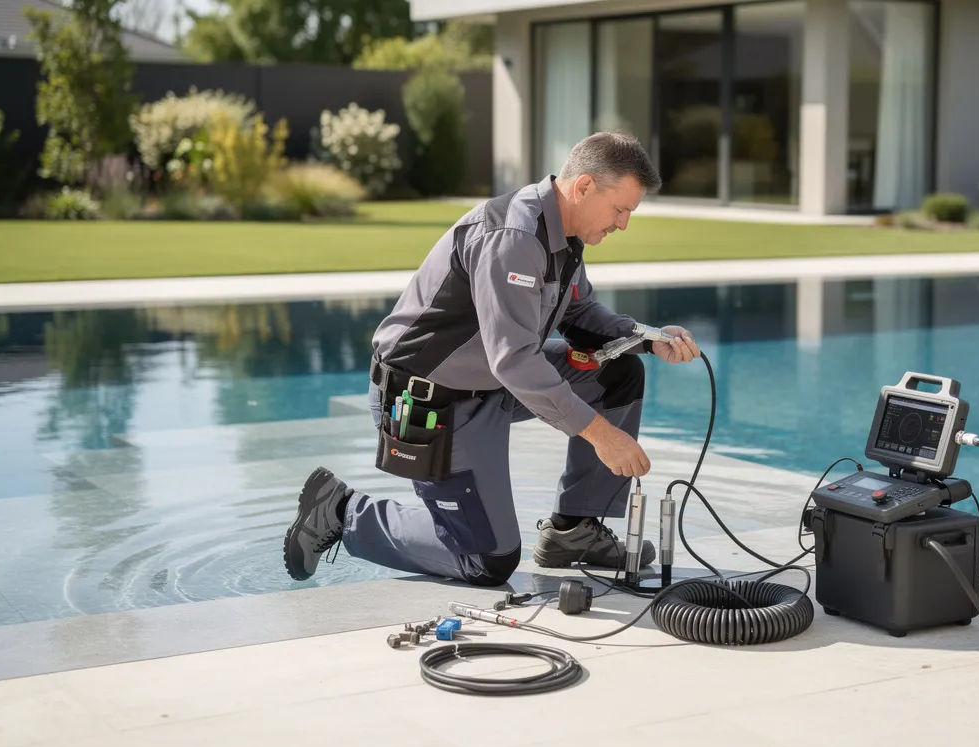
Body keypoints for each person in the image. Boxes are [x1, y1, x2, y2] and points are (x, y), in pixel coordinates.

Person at [283, 131, 702, 587]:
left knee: (617, 371)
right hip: (427, 403)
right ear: (583, 187)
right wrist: (601, 435)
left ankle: (574, 531)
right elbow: (516, 359)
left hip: (492, 385)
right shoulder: (514, 236)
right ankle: (344, 511)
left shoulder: (563, 234)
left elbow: (578, 311)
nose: (622, 224)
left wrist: (644, 337)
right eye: (620, 210)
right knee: (488, 560)